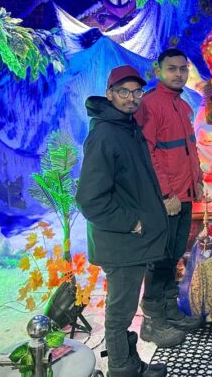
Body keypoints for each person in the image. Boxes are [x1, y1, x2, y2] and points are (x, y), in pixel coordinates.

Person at [75, 65, 175, 377]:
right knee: (120, 312)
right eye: (123, 92)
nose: (131, 98)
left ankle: (130, 363)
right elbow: (90, 198)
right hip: (123, 242)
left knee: (125, 308)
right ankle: (122, 369)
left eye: (136, 92)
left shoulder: (126, 128)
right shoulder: (105, 135)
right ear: (110, 94)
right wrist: (132, 223)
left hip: (132, 242)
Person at [134, 49, 204, 342]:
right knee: (160, 257)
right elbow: (148, 154)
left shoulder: (181, 103)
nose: (178, 74)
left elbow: (187, 148)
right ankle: (152, 321)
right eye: (172, 69)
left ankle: (169, 309)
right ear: (158, 71)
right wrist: (166, 194)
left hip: (186, 193)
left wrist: (197, 181)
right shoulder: (150, 105)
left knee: (174, 253)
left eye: (183, 69)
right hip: (168, 197)